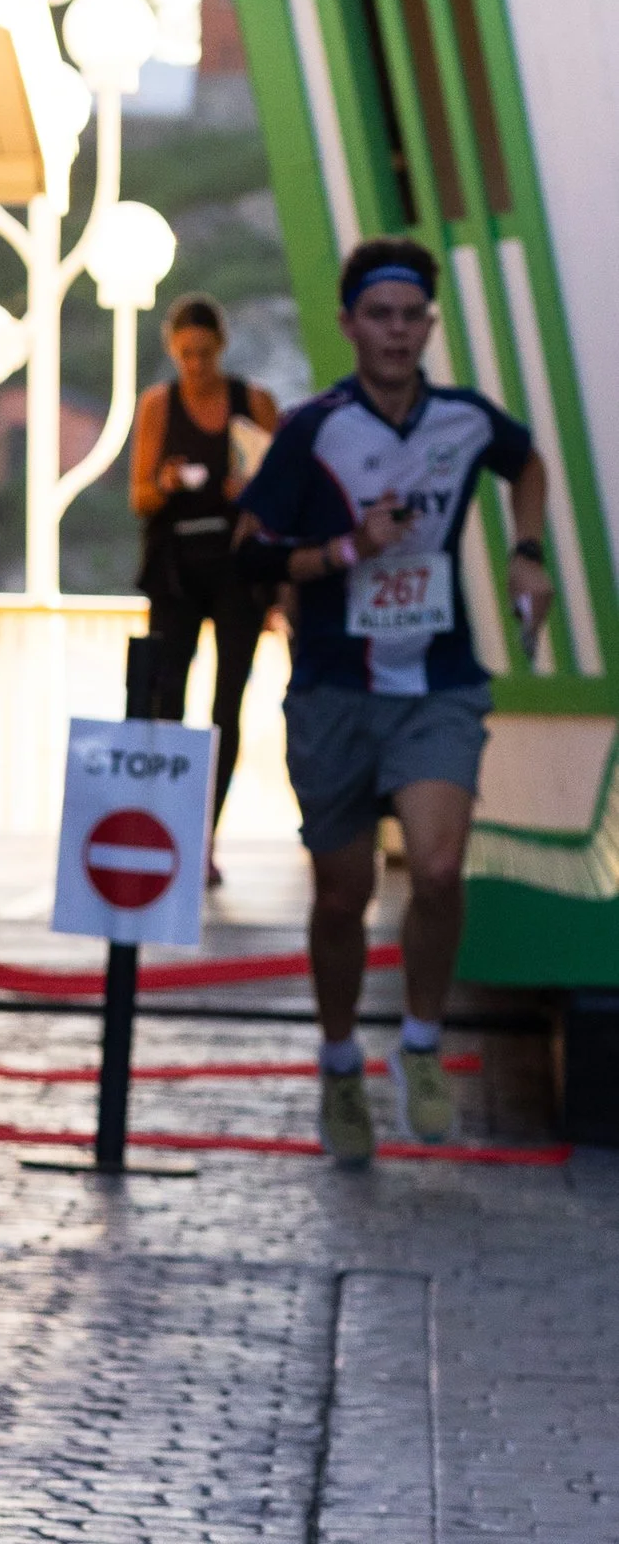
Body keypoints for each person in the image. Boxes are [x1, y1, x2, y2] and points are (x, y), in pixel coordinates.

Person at [233, 236, 551, 1165]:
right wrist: (342, 552)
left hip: (438, 684)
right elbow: (249, 552)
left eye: (413, 316)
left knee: (440, 869)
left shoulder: (461, 419)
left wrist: (526, 550)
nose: (398, 332)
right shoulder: (314, 430)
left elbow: (526, 464)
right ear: (349, 326)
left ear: (430, 326)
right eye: (380, 315)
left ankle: (419, 1044)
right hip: (335, 688)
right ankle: (339, 1063)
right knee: (344, 897)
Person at [130, 292, 281, 884]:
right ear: (173, 350)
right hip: (175, 568)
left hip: (237, 567)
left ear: (221, 348)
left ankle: (205, 837)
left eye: (204, 354)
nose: (195, 365)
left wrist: (250, 492)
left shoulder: (254, 402)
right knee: (169, 698)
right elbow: (139, 498)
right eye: (185, 354)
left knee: (227, 705)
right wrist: (165, 482)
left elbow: (280, 489)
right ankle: (169, 824)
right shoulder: (159, 406)